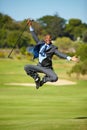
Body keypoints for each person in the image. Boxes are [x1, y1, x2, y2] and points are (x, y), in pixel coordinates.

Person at [24, 20, 79, 89]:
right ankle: (36, 78)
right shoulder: (40, 43)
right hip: (39, 66)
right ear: (44, 39)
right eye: (47, 39)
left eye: (49, 39)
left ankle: (43, 80)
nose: (48, 40)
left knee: (55, 78)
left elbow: (60, 54)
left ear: (51, 40)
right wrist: (30, 26)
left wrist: (70, 58)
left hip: (47, 68)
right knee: (26, 67)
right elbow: (34, 36)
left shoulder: (53, 48)